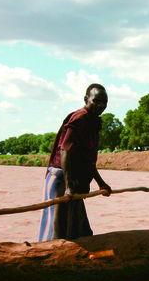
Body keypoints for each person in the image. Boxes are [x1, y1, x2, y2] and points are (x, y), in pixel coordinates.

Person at [38, 84, 112, 241]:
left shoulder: (92, 121)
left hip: (74, 182)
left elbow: (88, 160)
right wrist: (69, 186)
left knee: (80, 230)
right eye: (96, 101)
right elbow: (65, 151)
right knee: (57, 231)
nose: (101, 105)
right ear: (86, 99)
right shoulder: (80, 118)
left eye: (104, 102)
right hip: (61, 179)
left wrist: (101, 183)